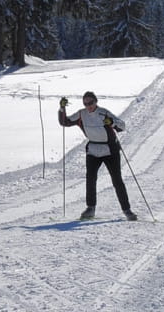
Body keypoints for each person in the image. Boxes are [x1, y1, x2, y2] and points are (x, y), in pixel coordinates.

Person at [58, 91, 137, 221]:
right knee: (90, 179)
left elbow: (122, 126)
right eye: (85, 103)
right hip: (93, 150)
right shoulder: (81, 114)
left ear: (96, 102)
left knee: (117, 180)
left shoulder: (103, 112)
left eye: (90, 103)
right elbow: (65, 122)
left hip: (110, 149)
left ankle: (127, 210)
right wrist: (62, 108)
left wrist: (111, 122)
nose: (88, 106)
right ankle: (90, 209)